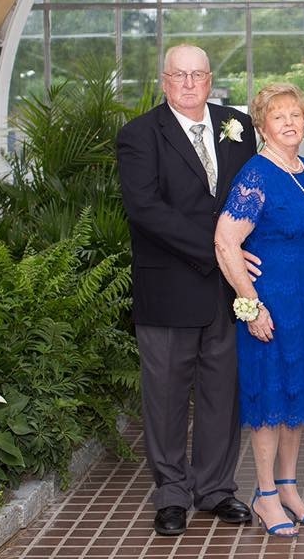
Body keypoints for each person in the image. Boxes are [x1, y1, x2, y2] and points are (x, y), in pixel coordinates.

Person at [116, 44, 256, 536]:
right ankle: (172, 494)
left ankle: (215, 489)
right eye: (180, 75)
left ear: (211, 78)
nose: (190, 83)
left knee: (223, 394)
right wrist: (219, 250)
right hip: (170, 287)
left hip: (228, 291)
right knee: (166, 397)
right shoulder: (139, 135)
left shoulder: (238, 127)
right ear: (164, 81)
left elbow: (252, 197)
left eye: (198, 74)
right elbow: (146, 210)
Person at [214, 83, 304, 538]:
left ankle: (288, 487)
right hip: (273, 304)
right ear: (262, 126)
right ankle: (265, 494)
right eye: (278, 116)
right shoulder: (256, 174)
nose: (289, 122)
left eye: (296, 114)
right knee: (271, 400)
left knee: (297, 398)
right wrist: (250, 307)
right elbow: (225, 241)